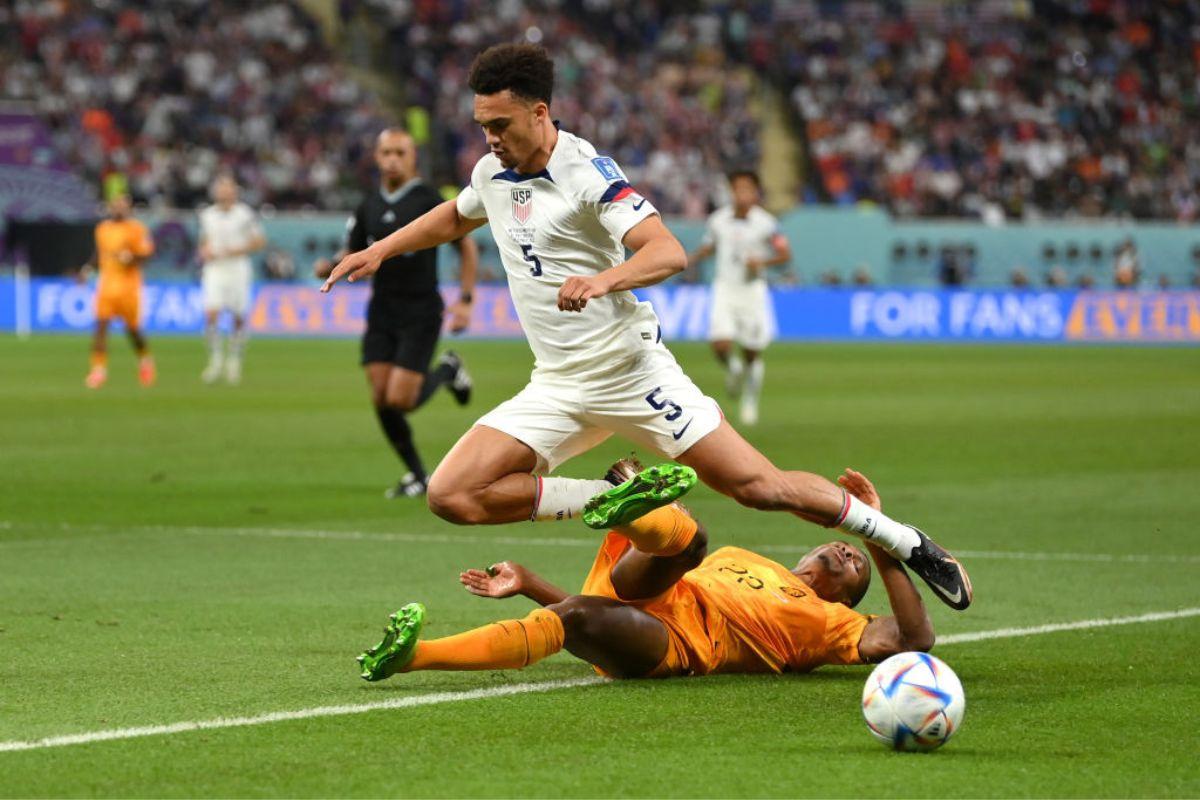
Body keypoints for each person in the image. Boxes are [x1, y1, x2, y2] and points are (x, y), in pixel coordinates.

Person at [321, 44, 971, 609]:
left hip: (633, 373)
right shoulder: (493, 171)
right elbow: (456, 217)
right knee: (452, 494)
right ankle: (611, 495)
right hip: (558, 384)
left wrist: (605, 279)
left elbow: (667, 250)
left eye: (502, 124)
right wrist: (382, 249)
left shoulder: (586, 174)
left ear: (540, 113)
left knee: (759, 487)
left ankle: (907, 541)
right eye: (482, 125)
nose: (490, 137)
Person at [356, 462, 943, 681]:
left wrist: (881, 539)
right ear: (811, 548)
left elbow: (914, 639)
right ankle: (644, 509)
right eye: (845, 548)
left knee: (580, 617)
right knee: (692, 549)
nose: (848, 555)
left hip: (678, 644)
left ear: (850, 600)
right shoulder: (746, 560)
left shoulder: (828, 626)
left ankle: (415, 655)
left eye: (856, 566)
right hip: (659, 584)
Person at [316, 128, 479, 499]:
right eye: (385, 152)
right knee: (380, 398)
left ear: (412, 158)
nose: (392, 159)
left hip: (420, 309)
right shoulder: (369, 204)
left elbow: (465, 249)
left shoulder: (427, 198)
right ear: (376, 157)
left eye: (399, 153)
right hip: (382, 311)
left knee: (401, 399)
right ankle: (418, 475)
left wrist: (466, 299)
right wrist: (330, 267)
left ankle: (448, 369)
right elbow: (354, 254)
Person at [686, 171, 791, 425]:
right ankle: (733, 369)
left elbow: (785, 255)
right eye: (738, 189)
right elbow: (711, 246)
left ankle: (750, 401)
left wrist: (762, 262)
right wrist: (689, 259)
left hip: (752, 291)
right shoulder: (718, 220)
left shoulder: (766, 223)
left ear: (755, 193)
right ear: (732, 192)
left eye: (748, 189)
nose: (742, 194)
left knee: (752, 352)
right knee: (719, 344)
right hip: (725, 288)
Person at [198, 175, 266, 385]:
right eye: (221, 188)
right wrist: (204, 250)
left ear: (234, 192)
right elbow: (204, 240)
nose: (225, 192)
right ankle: (216, 359)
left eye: (228, 189)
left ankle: (234, 360)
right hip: (215, 269)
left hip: (237, 268)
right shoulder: (207, 215)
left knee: (238, 316)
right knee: (211, 312)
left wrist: (237, 250)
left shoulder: (244, 214)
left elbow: (259, 241)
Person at [83, 193, 156, 389]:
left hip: (129, 288)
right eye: (115, 205)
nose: (118, 208)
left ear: (129, 207)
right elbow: (99, 253)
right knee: (100, 327)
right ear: (110, 207)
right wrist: (88, 269)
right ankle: (98, 371)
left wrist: (130, 258)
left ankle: (145, 361)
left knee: (133, 331)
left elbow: (146, 256)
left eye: (122, 205)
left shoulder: (136, 229)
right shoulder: (102, 229)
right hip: (106, 286)